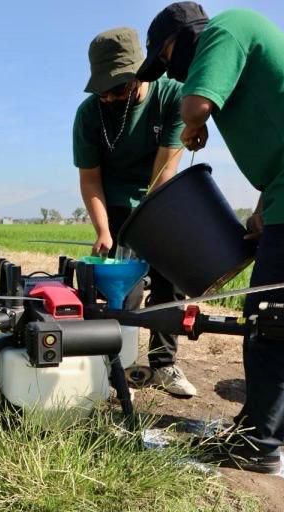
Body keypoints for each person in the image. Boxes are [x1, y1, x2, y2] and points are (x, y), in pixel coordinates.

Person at [137, 2, 284, 474]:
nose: (170, 73)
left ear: (179, 41)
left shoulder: (227, 28)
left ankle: (256, 442)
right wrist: (265, 207)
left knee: (272, 322)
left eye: (164, 61)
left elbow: (195, 105)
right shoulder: (247, 40)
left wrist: (193, 123)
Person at [73, 27, 196, 397]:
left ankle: (163, 365)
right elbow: (90, 180)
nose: (110, 97)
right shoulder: (90, 115)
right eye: (104, 90)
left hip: (161, 199)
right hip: (112, 206)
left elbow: (164, 172)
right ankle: (113, 368)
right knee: (118, 291)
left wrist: (150, 229)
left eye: (120, 88)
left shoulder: (171, 97)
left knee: (166, 285)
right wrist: (104, 231)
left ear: (142, 73)